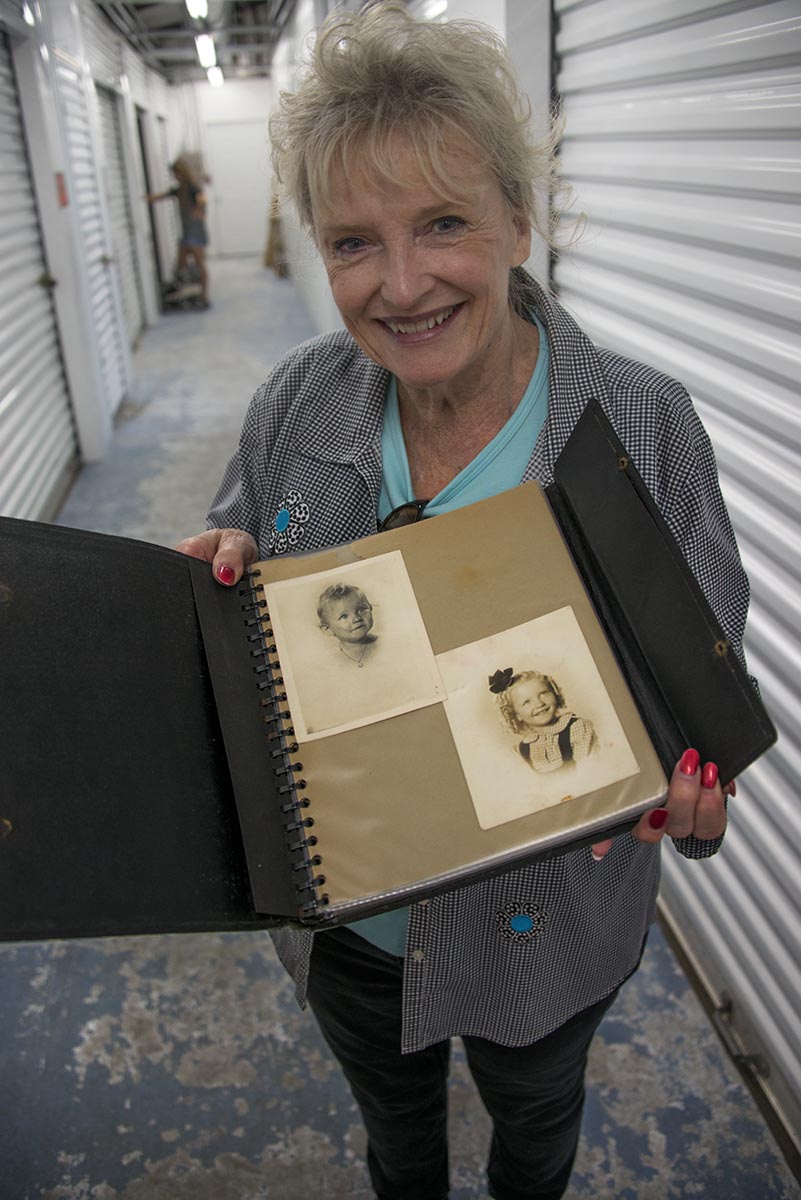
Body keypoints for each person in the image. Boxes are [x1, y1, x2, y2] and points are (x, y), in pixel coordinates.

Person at [176, 5, 746, 1197]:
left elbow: (701, 671)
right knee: (397, 1136)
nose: (402, 284)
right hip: (353, 926)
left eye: (444, 224)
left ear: (520, 223)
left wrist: (694, 777)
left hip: (547, 927)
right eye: (352, 242)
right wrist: (223, 575)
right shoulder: (295, 405)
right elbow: (240, 552)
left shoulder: (639, 429)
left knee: (535, 1126)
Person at [490, 667, 598, 772]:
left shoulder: (577, 728)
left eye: (543, 693)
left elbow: (587, 769)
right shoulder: (521, 750)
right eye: (527, 702)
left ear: (555, 693)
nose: (539, 704)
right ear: (515, 714)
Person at [147, 156, 210, 307]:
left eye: (176, 174)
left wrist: (199, 210)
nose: (175, 177)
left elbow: (202, 199)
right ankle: (186, 289)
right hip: (188, 231)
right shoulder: (179, 190)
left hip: (195, 231)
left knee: (199, 263)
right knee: (181, 262)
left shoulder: (192, 187)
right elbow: (162, 196)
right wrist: (146, 198)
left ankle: (204, 295)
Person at [317, 582, 378, 667]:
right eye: (344, 616)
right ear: (328, 629)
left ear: (370, 608)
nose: (357, 618)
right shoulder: (331, 661)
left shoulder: (384, 644)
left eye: (361, 609)